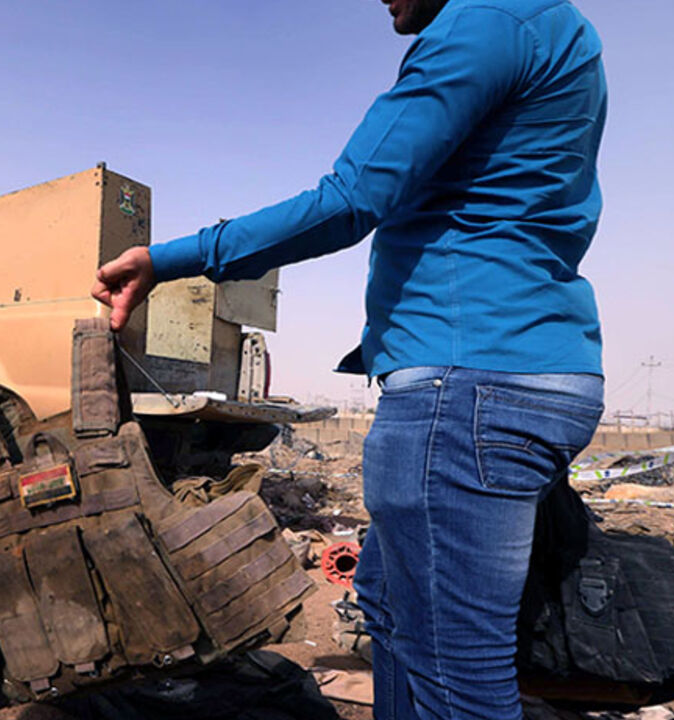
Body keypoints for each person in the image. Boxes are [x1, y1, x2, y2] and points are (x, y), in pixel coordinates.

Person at [92, 1, 606, 718]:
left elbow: (351, 198)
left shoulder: (482, 20)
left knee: (459, 676)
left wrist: (166, 259)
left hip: (467, 387)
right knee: (389, 608)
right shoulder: (559, 30)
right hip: (529, 371)